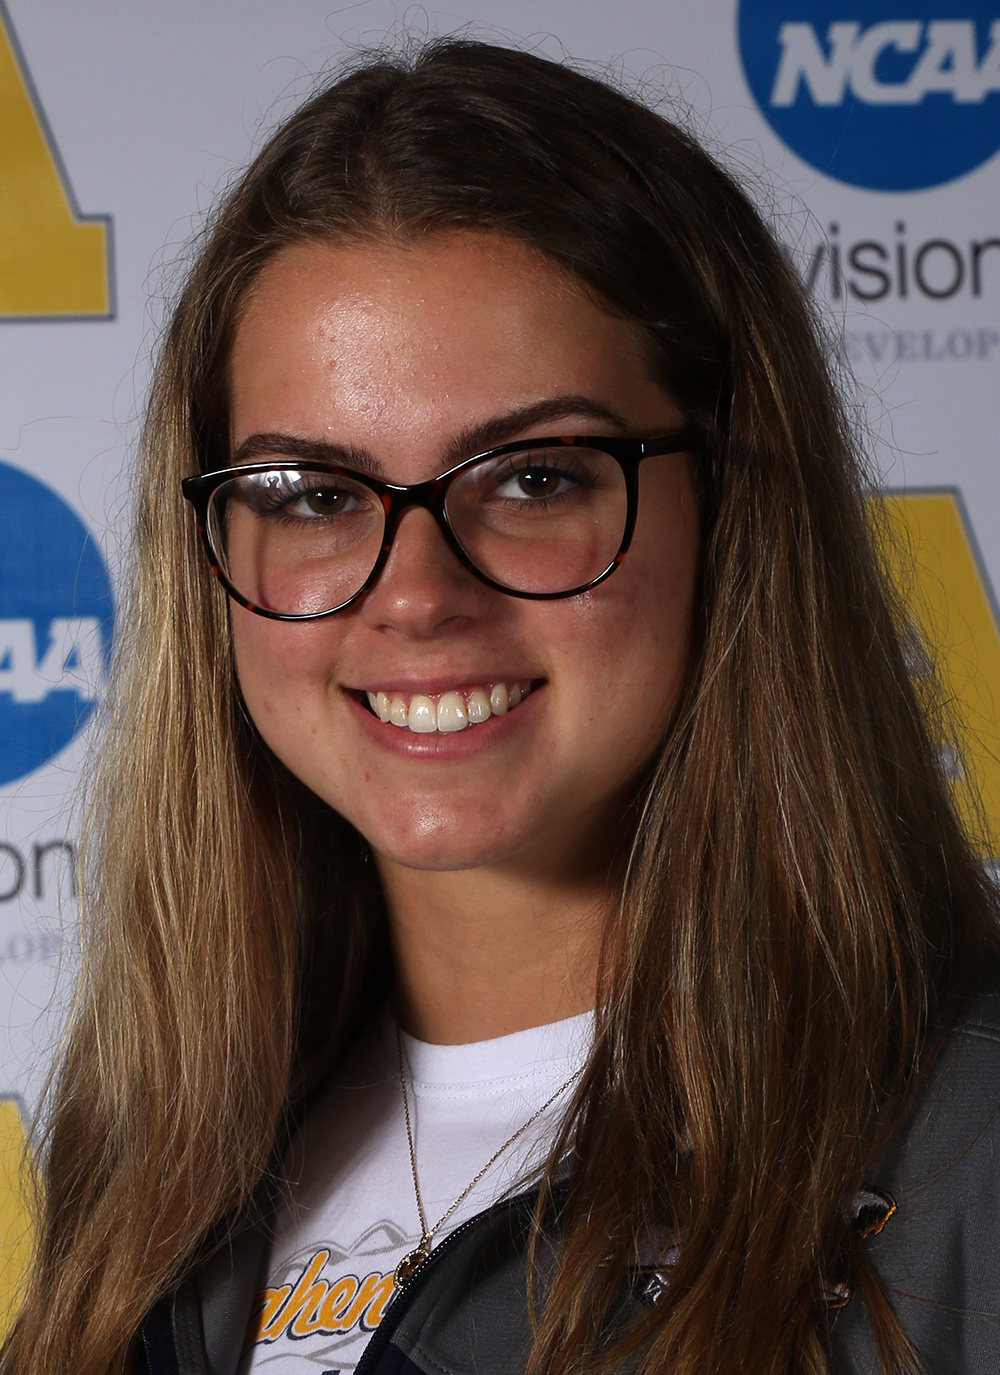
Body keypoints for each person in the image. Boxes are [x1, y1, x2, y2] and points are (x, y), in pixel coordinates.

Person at [4, 38, 1000, 1375]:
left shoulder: (969, 1147)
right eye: (314, 495)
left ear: (731, 509)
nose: (415, 595)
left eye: (534, 479)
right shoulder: (154, 1175)